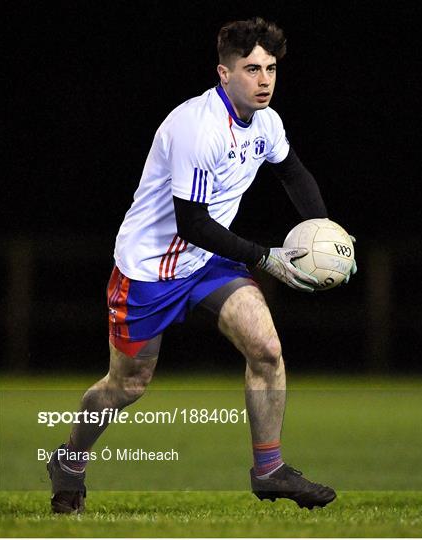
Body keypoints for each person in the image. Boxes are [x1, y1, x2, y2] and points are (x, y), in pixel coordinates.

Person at [47, 16, 356, 514]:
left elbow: (293, 174)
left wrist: (329, 235)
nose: (264, 80)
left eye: (271, 68)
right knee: (127, 385)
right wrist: (265, 258)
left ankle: (270, 469)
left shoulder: (267, 122)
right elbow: (191, 221)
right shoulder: (197, 126)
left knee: (266, 349)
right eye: (251, 69)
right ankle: (70, 461)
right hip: (149, 269)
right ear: (223, 73)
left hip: (207, 260)